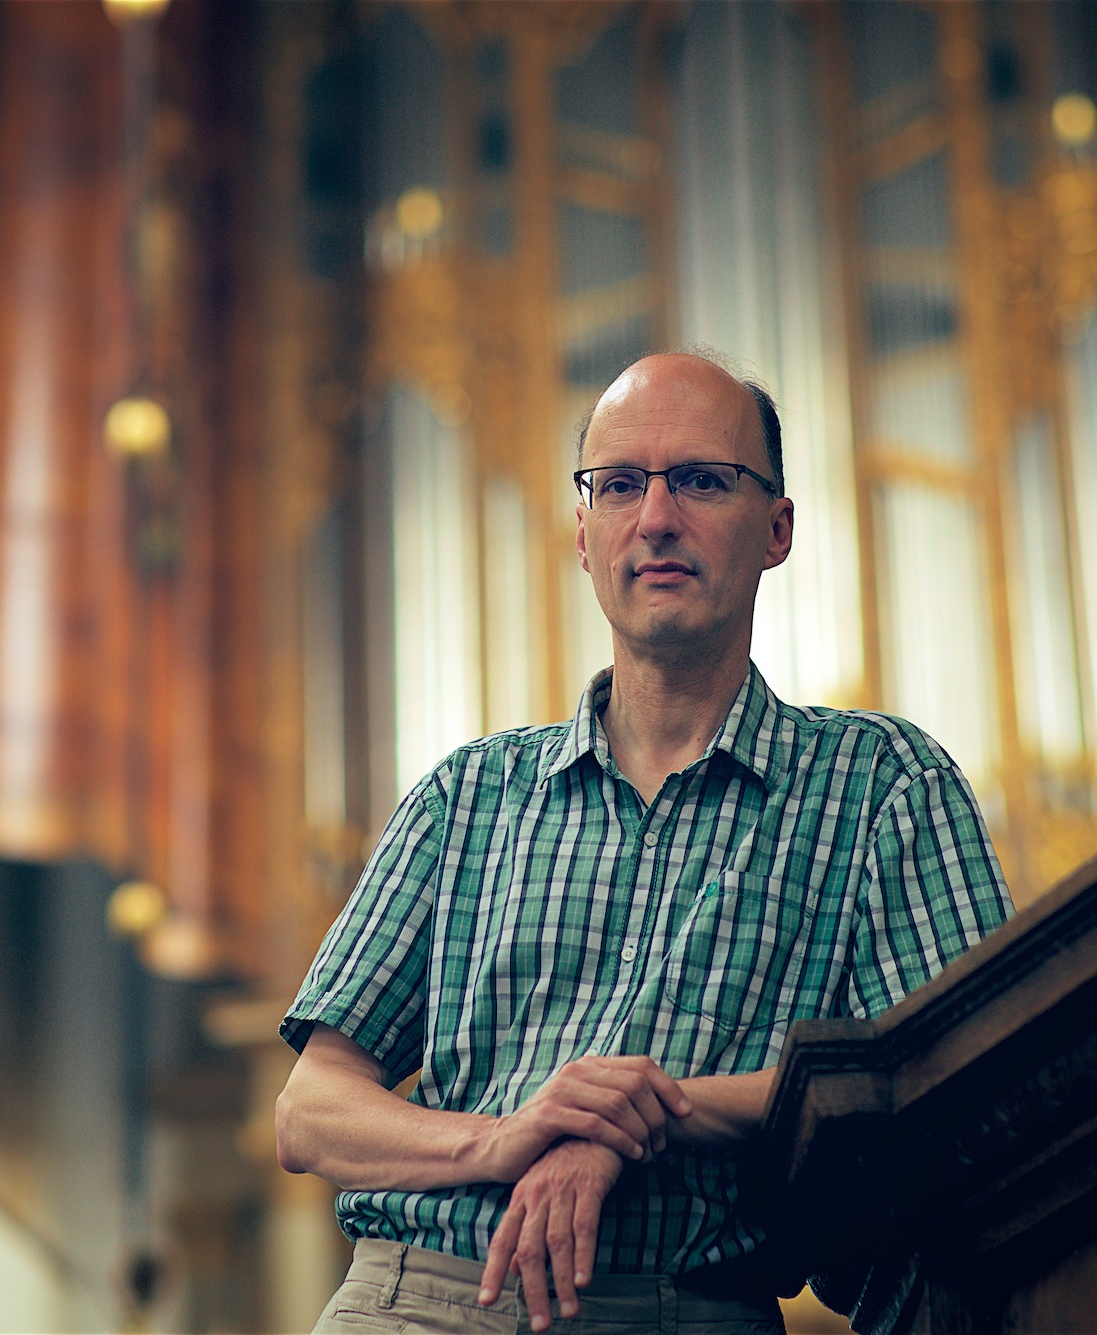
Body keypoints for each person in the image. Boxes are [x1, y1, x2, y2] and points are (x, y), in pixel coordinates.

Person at [275, 352, 1013, 1333]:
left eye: (701, 480)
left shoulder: (876, 784)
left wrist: (641, 1114)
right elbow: (309, 1110)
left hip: (681, 1310)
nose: (655, 518)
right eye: (618, 484)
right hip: (416, 1303)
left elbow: (952, 1070)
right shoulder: (466, 796)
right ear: (583, 534)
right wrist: (503, 1138)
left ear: (776, 529)